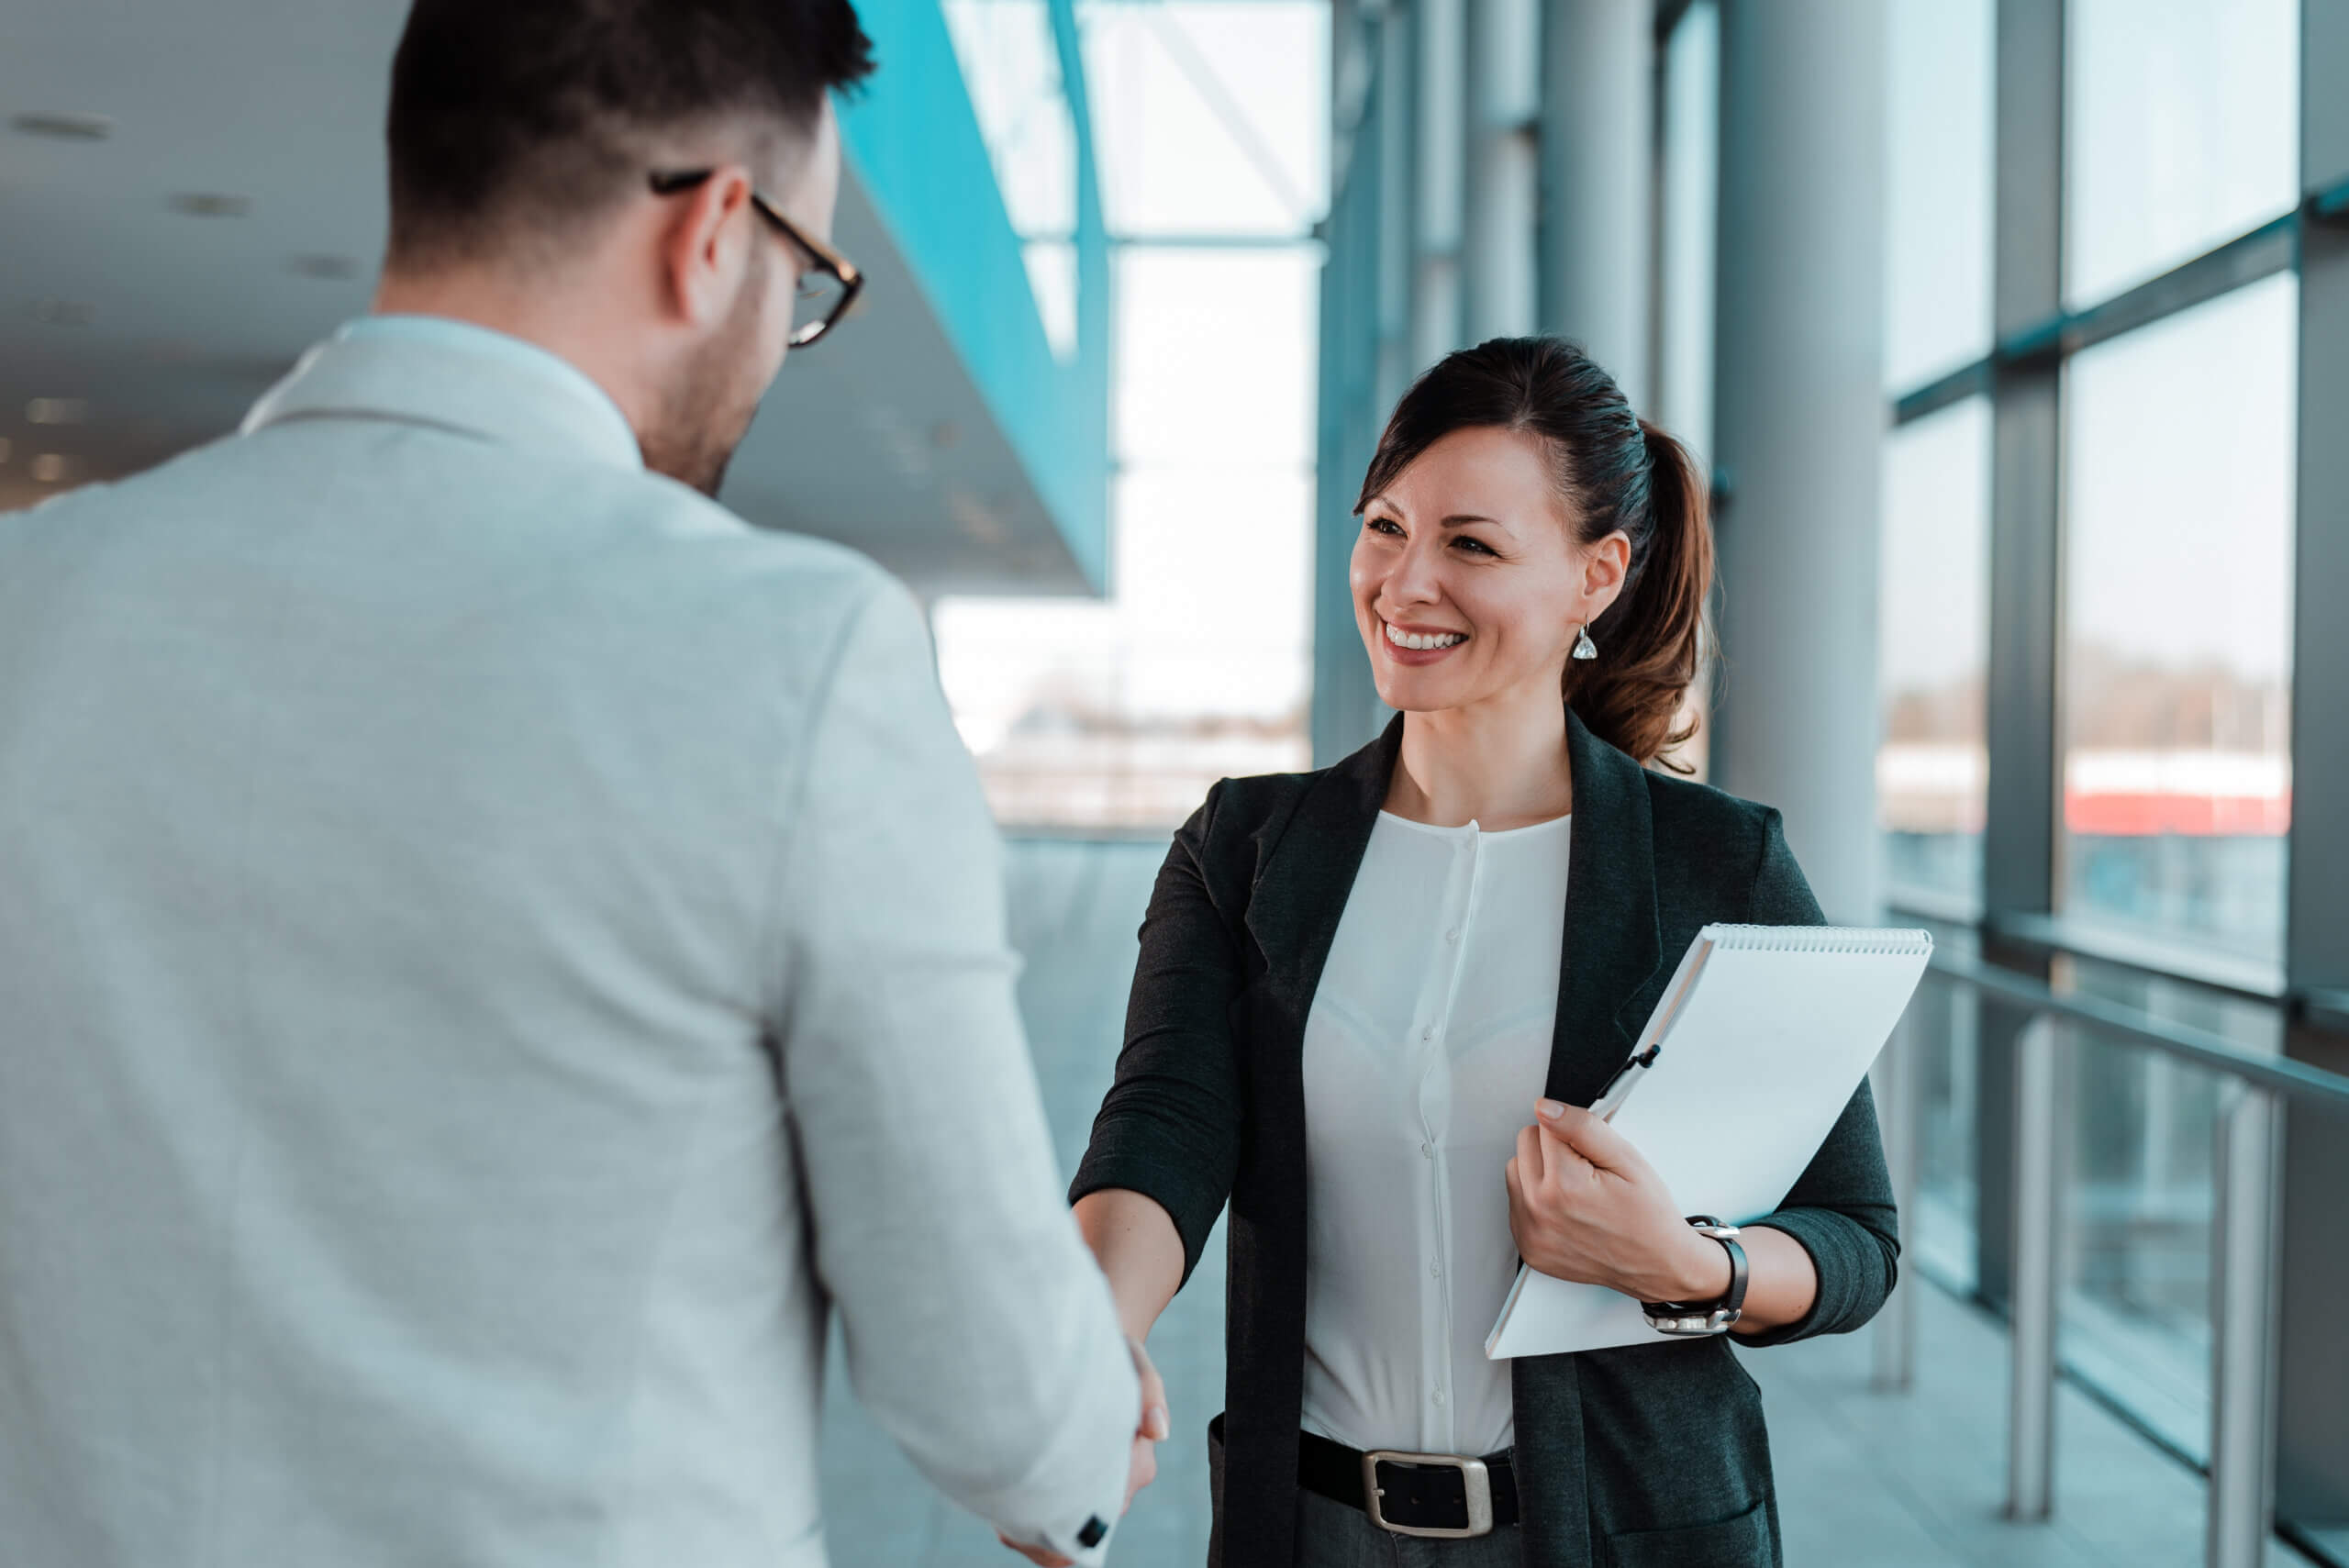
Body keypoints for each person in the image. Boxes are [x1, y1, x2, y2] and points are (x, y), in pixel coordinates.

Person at [0, 4, 1157, 1565]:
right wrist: (1087, 1419)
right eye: (805, 282)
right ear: (712, 235)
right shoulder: (796, 659)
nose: (778, 338)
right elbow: (999, 1395)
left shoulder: (34, 599)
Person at [1062, 338, 1898, 1566]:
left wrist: (1685, 1263)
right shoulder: (1245, 846)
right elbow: (1164, 1126)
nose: (1405, 581)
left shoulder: (1717, 865)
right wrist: (1092, 1342)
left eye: (1471, 543)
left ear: (1595, 576)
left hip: (1622, 1533)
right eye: (1385, 525)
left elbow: (1854, 1238)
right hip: (1313, 1533)